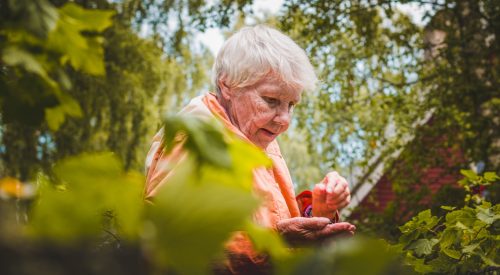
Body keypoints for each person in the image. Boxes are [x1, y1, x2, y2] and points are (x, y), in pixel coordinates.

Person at [144, 25, 355, 274]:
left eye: (291, 104)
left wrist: (320, 210)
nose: (284, 120)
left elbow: (271, 219)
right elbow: (165, 245)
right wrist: (273, 242)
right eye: (271, 100)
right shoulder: (195, 140)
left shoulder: (257, 137)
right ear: (228, 86)